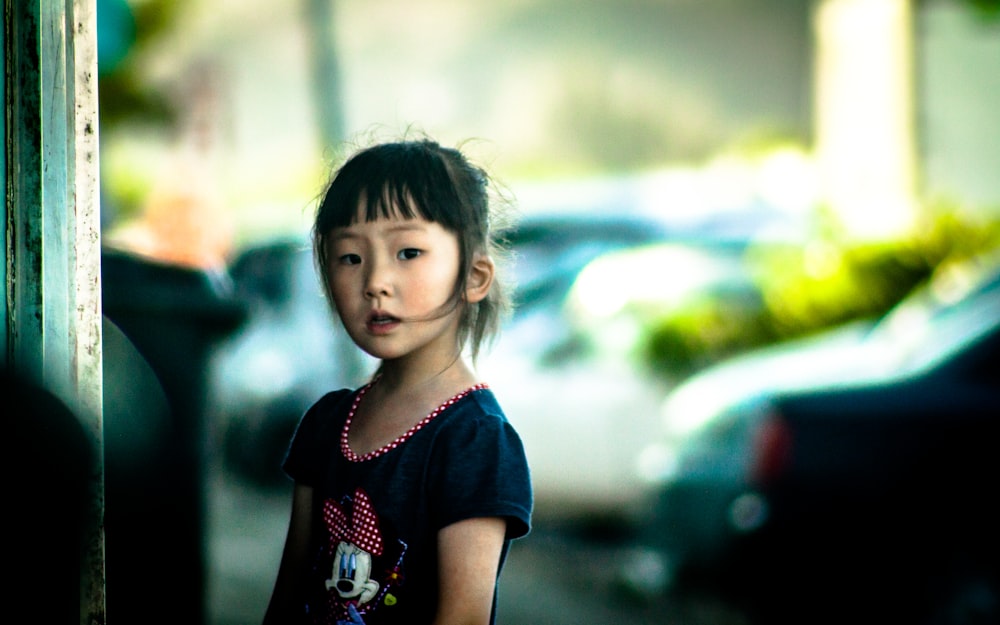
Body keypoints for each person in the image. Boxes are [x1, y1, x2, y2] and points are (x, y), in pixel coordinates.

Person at [262, 137, 533, 625]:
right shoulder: (326, 423)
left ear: (474, 276)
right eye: (350, 257)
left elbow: (463, 617)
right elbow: (287, 597)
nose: (375, 281)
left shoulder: (473, 440)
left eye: (408, 251)